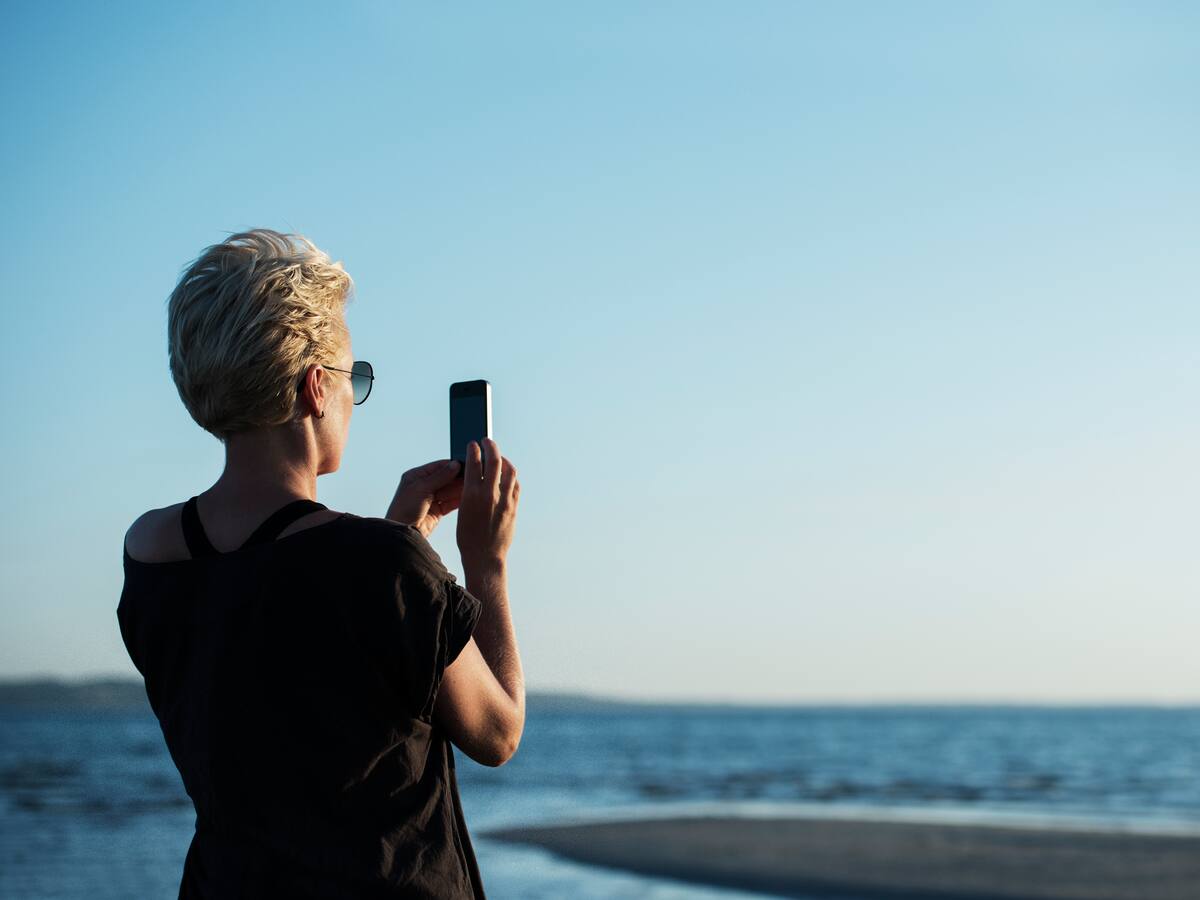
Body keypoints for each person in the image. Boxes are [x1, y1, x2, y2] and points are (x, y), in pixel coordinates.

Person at [117, 229, 523, 899]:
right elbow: (497, 732)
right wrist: (485, 563)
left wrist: (403, 545)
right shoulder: (382, 565)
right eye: (351, 379)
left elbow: (280, 645)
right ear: (315, 388)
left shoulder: (150, 551)